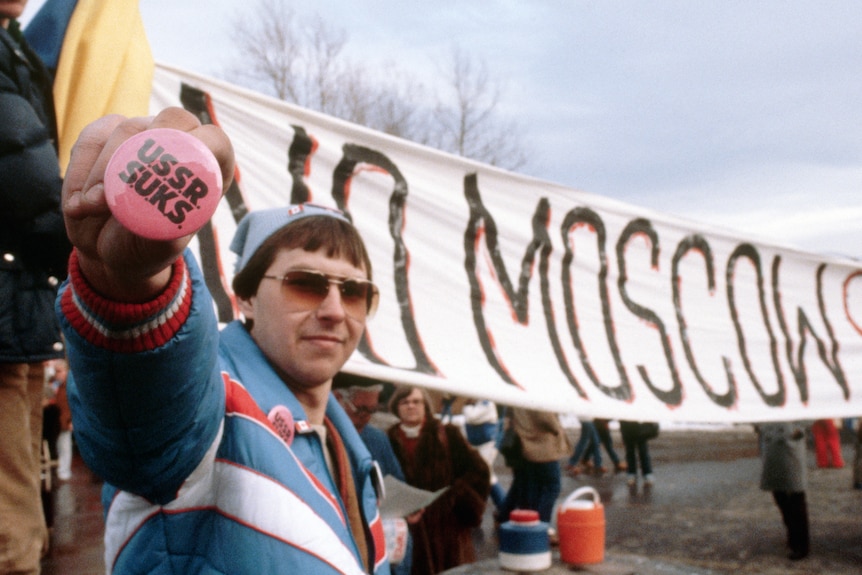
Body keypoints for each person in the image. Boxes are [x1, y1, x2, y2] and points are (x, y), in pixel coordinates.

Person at [57, 109, 389, 574]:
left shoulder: (349, 443)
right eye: (306, 283)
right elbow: (149, 419)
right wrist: (128, 283)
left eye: (355, 291)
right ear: (247, 298)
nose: (335, 310)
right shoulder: (211, 408)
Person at [1, 1, 72, 572]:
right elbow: (26, 174)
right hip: (9, 294)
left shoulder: (18, 47)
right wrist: (88, 249)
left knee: (22, 482)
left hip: (17, 296)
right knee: (12, 507)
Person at [386, 385, 490, 575]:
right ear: (396, 407)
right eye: (405, 402)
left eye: (416, 401)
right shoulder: (387, 439)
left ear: (425, 405)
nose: (411, 406)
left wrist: (455, 497)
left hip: (447, 531)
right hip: (408, 528)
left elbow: (479, 470)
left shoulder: (447, 434)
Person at [334, 384, 413, 575]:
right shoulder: (321, 437)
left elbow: (397, 482)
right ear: (337, 399)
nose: (366, 418)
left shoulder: (377, 439)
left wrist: (408, 506)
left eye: (372, 411)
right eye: (361, 410)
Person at [498, 407, 571, 529]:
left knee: (532, 488)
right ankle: (541, 526)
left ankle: (527, 524)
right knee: (552, 487)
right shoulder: (539, 391)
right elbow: (545, 417)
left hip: (525, 444)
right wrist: (557, 429)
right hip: (543, 445)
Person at [757, 421, 810, 561]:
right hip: (772, 447)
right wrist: (759, 426)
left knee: (796, 497)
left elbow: (811, 410)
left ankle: (801, 544)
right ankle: (792, 535)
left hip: (790, 447)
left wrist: (799, 430)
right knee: (779, 495)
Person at [462, 398, 506, 509]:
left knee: (484, 473)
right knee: (487, 475)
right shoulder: (478, 404)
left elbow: (471, 417)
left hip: (488, 445)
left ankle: (502, 505)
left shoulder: (487, 404)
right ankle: (503, 506)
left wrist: (466, 406)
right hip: (480, 443)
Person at [49, 359, 73, 481]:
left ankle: (64, 471)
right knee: (57, 446)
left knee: (64, 446)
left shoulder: (69, 385)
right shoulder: (53, 384)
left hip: (64, 420)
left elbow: (71, 404)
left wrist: (71, 420)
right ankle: (58, 469)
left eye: (60, 371)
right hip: (54, 421)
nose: (57, 374)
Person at [619, 420, 656, 489]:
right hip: (627, 427)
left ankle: (647, 473)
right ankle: (631, 474)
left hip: (640, 427)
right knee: (630, 452)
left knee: (643, 451)